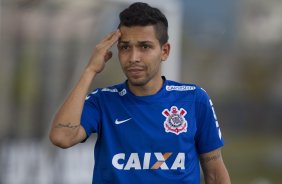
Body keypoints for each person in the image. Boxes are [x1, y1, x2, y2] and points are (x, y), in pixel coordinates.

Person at [49, 2, 231, 183]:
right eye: (125, 47)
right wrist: (90, 70)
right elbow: (62, 137)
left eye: (144, 47)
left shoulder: (194, 100)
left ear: (164, 51)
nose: (133, 58)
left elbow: (215, 175)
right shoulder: (103, 101)